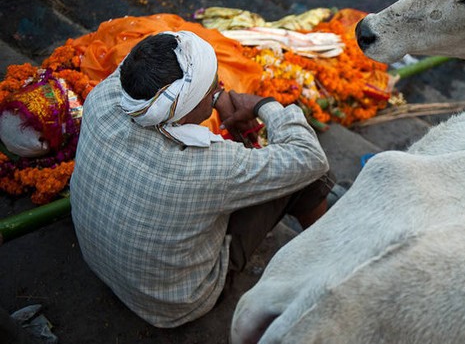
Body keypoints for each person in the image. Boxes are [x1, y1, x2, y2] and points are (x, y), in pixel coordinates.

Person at [70, 31, 334, 328]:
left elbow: (144, 75)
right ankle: (334, 259)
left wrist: (216, 98)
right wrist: (263, 104)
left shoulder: (103, 98)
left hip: (100, 264)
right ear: (189, 101)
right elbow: (310, 157)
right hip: (174, 304)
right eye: (213, 86)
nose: (219, 88)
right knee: (311, 176)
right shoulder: (210, 164)